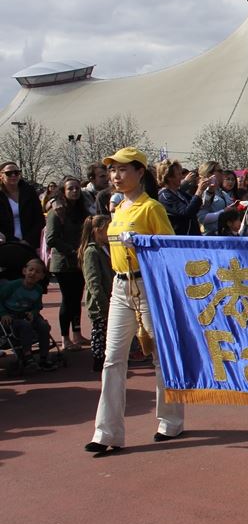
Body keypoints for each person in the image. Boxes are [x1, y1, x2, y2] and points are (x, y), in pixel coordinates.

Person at [85, 147, 185, 454]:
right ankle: (107, 432)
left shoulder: (151, 208)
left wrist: (143, 244)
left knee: (159, 358)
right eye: (113, 170)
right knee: (113, 359)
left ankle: (170, 420)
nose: (115, 175)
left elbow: (168, 249)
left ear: (140, 172)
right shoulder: (116, 208)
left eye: (123, 169)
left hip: (148, 287)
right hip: (120, 286)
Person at [45, 177, 90, 350]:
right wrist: (72, 250)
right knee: (67, 299)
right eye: (70, 188)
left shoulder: (81, 211)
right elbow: (51, 239)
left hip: (78, 262)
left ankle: (77, 334)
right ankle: (65, 338)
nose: (74, 191)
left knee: (77, 298)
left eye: (77, 188)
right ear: (63, 191)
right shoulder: (56, 212)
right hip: (63, 263)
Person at [0, 257, 57, 372]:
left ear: (42, 276)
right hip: (11, 317)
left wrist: (33, 313)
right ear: (24, 271)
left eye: (37, 272)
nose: (33, 273)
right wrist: (3, 314)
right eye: (31, 270)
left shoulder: (38, 289)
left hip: (27, 315)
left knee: (43, 326)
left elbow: (37, 306)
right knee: (25, 326)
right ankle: (27, 356)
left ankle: (44, 357)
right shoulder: (13, 286)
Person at [79, 215, 113, 372]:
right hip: (100, 301)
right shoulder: (91, 252)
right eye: (108, 228)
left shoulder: (105, 248)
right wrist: (102, 304)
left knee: (108, 332)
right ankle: (98, 362)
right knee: (99, 331)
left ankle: (105, 359)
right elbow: (93, 282)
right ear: (98, 231)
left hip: (109, 296)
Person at [0, 162, 46, 249]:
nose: (13, 175)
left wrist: (28, 241)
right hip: (6, 244)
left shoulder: (29, 192)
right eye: (9, 173)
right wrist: (13, 241)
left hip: (30, 243)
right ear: (1, 176)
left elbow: (39, 219)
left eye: (16, 172)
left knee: (35, 263)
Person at [157, 160, 209, 236]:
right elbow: (187, 213)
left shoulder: (179, 193)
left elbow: (197, 206)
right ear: (169, 178)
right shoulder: (165, 196)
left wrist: (209, 190)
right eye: (178, 174)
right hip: (181, 240)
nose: (182, 177)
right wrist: (199, 190)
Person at [196, 161, 231, 235]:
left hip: (224, 234)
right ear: (209, 174)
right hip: (211, 236)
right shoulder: (203, 192)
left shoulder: (223, 193)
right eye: (219, 171)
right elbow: (202, 218)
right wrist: (223, 212)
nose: (223, 173)